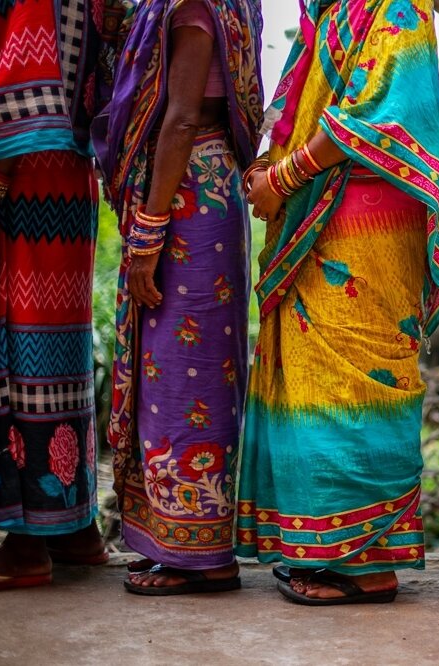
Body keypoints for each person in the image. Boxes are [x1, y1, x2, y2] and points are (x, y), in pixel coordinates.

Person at [236, 0, 439, 606]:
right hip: (320, 213)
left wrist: (282, 178)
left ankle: (360, 563)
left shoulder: (397, 9)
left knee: (354, 377)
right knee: (318, 379)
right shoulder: (333, 17)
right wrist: (270, 165)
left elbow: (386, 114)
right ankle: (337, 554)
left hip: (364, 219)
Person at [95, 0, 263, 595]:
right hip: (205, 190)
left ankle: (203, 554)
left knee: (184, 377)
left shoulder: (194, 6)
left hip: (188, 194)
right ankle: (178, 542)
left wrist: (148, 230)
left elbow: (182, 117)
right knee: (180, 371)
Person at [0, 0, 107, 592]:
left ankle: (27, 542)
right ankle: (74, 527)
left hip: (21, 174)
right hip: (66, 176)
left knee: (20, 344)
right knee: (56, 345)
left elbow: (28, 80)